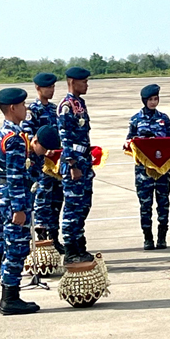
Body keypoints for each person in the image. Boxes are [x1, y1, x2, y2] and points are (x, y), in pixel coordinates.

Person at [0, 88, 58, 315]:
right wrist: (19, 208)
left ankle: (11, 296)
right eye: (22, 105)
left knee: (14, 247)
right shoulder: (16, 139)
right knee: (17, 249)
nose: (25, 109)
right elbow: (15, 175)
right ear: (13, 108)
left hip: (5, 197)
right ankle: (9, 299)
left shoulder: (5, 133)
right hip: (13, 200)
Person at [126, 84, 170, 250]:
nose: (154, 103)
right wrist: (141, 140)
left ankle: (162, 236)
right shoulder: (135, 120)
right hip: (143, 171)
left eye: (156, 99)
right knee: (145, 205)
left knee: (163, 203)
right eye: (151, 100)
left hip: (162, 169)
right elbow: (127, 143)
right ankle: (147, 237)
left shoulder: (164, 118)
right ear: (144, 101)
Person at [21, 72, 64, 254]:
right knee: (42, 202)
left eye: (53, 87)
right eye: (48, 87)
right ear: (38, 88)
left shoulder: (55, 109)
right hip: (41, 166)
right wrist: (44, 149)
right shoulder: (33, 111)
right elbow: (28, 136)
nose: (51, 90)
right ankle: (42, 239)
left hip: (56, 164)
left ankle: (54, 237)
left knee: (56, 201)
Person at [58, 67, 95, 264]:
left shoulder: (79, 104)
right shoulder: (66, 106)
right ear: (72, 82)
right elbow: (65, 138)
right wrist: (72, 165)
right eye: (84, 82)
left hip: (84, 162)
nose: (86, 85)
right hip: (75, 164)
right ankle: (71, 249)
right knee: (73, 207)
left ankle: (80, 244)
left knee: (83, 206)